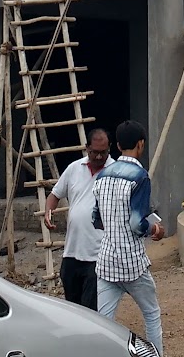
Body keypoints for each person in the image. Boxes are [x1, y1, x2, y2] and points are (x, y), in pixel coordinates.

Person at [92, 120, 165, 355]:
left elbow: (96, 219)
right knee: (151, 314)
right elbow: (137, 223)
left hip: (106, 263)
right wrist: (154, 230)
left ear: (118, 145)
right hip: (132, 264)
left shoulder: (102, 176)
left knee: (103, 323)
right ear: (141, 144)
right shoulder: (140, 177)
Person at [43, 128, 111, 309]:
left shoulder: (115, 171)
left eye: (103, 153)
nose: (98, 157)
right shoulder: (74, 168)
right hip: (72, 252)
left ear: (109, 149)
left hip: (99, 255)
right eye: (94, 152)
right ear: (87, 148)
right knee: (73, 307)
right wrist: (48, 212)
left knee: (91, 308)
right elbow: (54, 195)